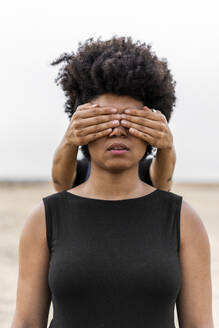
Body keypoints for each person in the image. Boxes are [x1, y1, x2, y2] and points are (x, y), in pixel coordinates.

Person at [11, 36, 214, 328]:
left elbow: (199, 324)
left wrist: (168, 146)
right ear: (81, 129)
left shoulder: (183, 220)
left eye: (131, 121)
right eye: (104, 120)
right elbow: (28, 321)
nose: (118, 131)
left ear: (152, 131)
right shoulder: (44, 218)